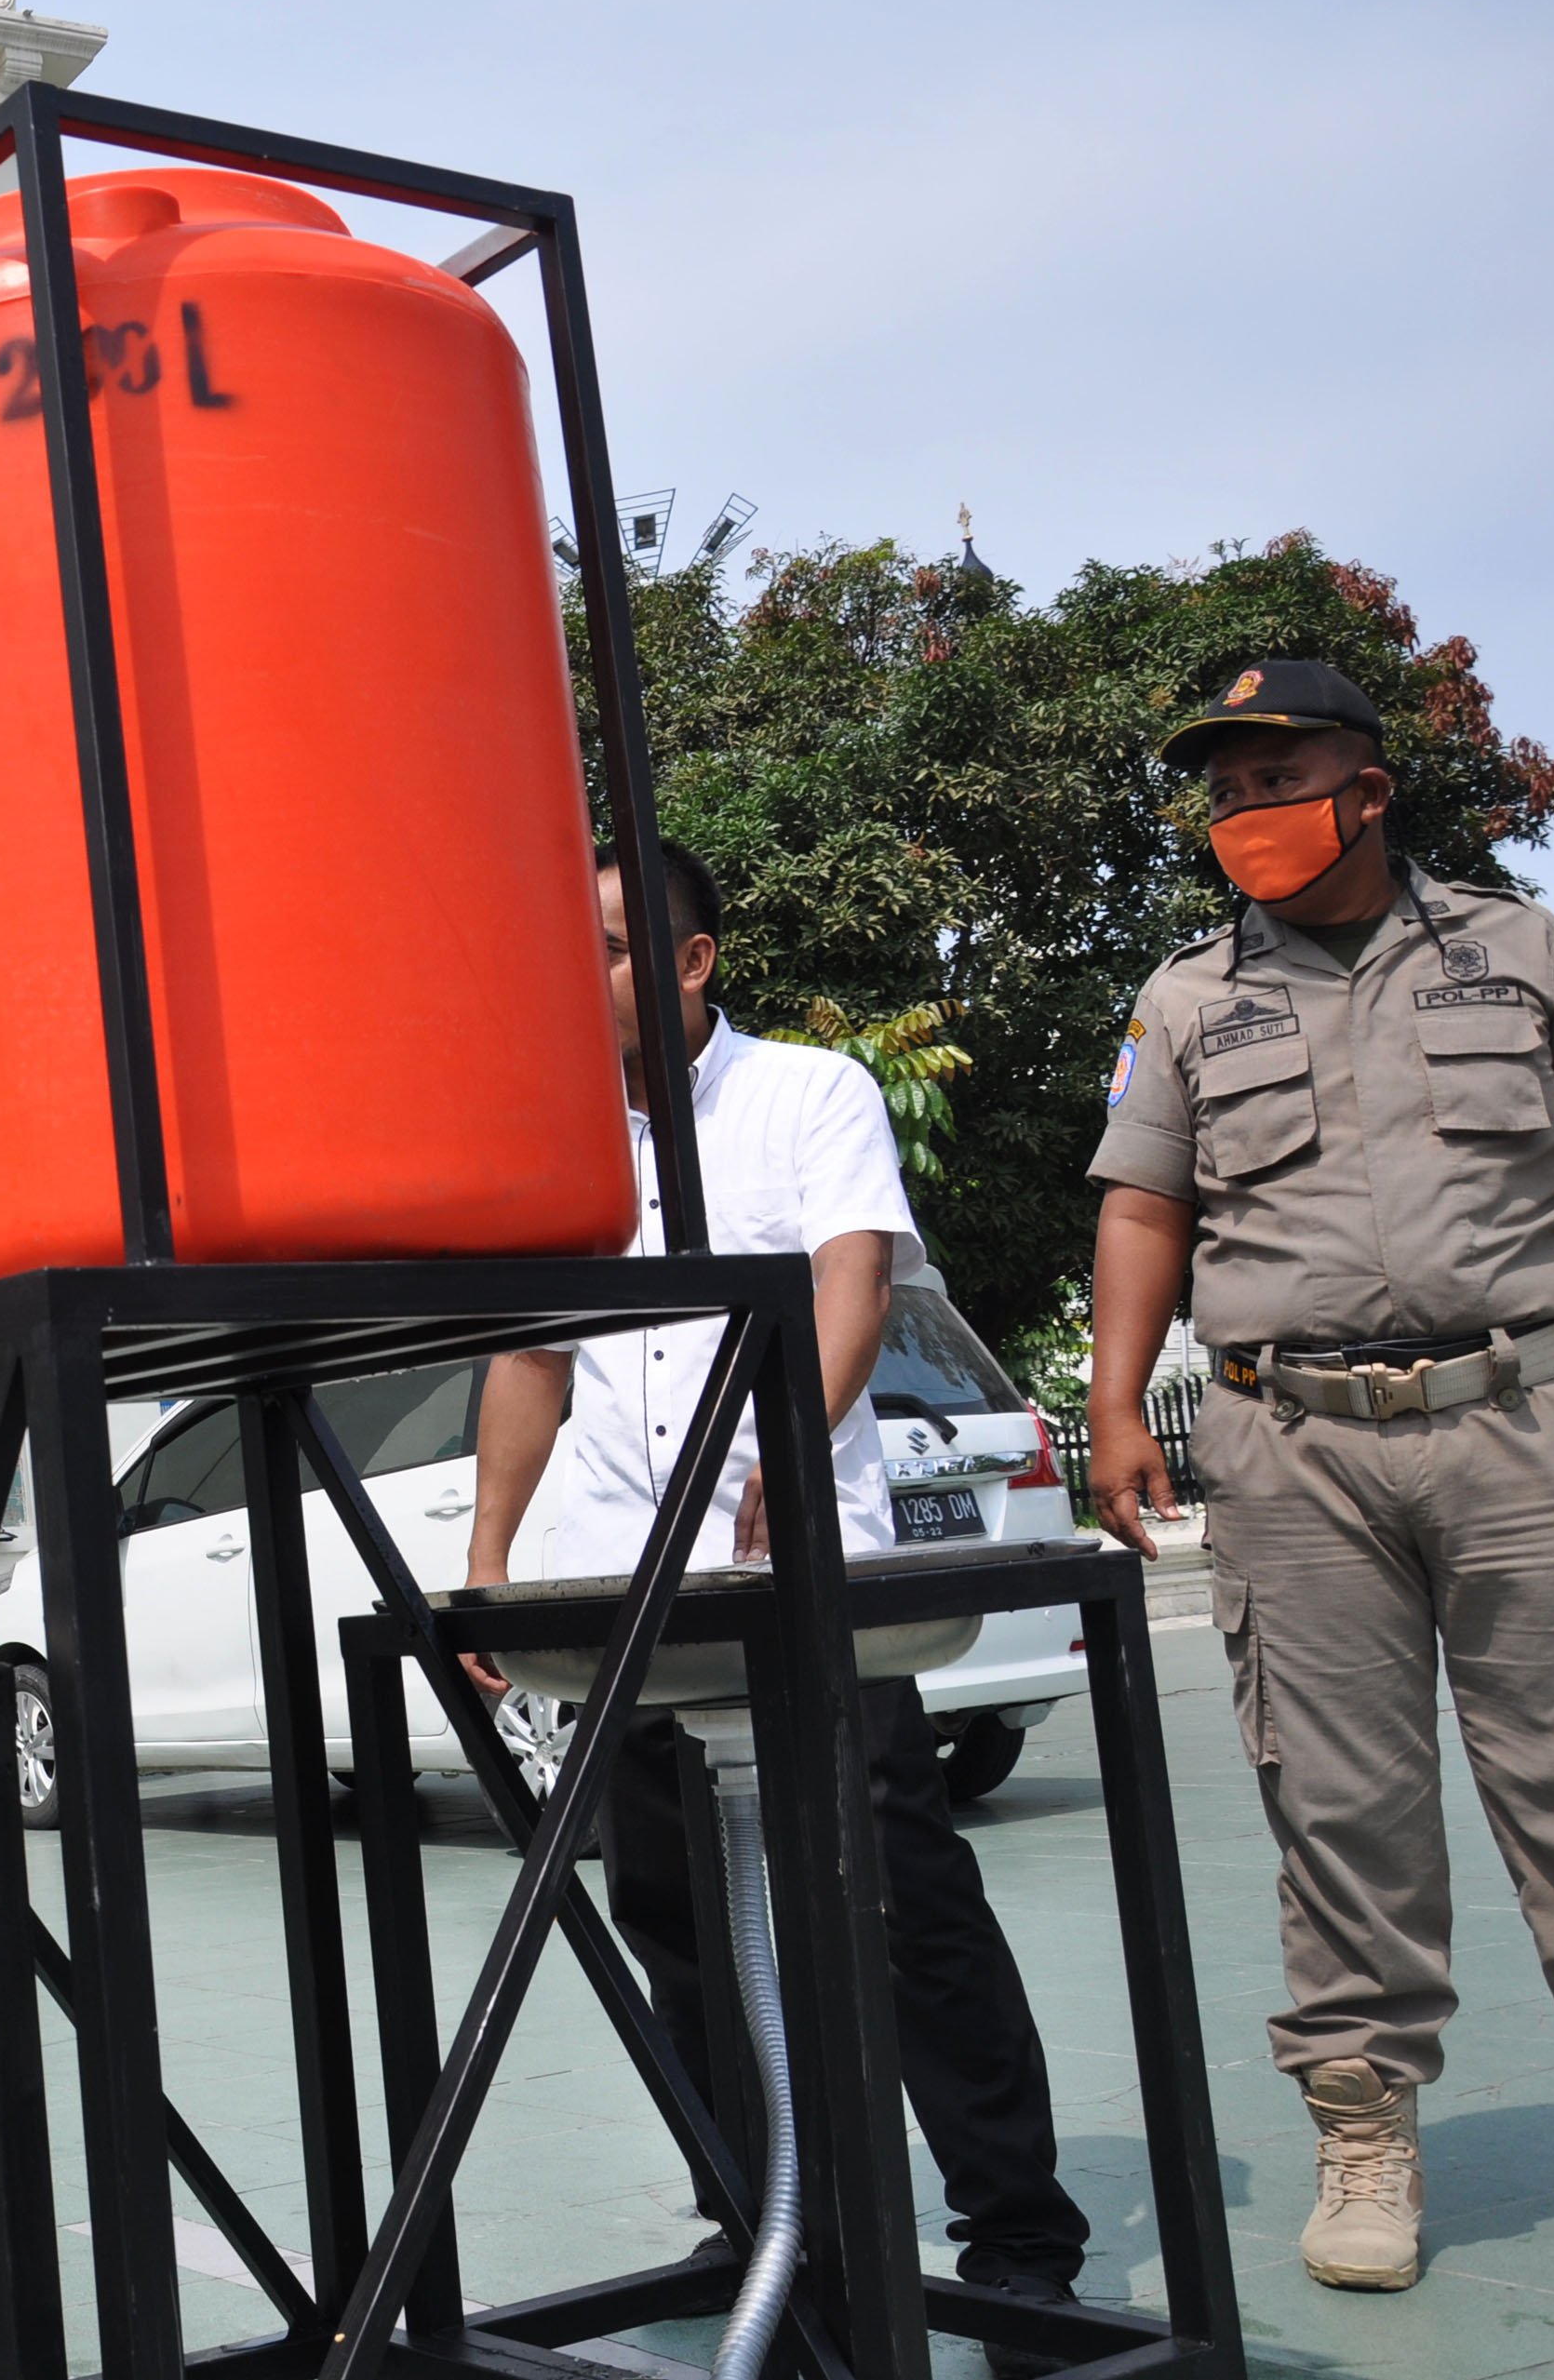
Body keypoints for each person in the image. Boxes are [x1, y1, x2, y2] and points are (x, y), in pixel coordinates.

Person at [461, 840, 1092, 2360]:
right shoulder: (551, 1143)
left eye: (609, 946)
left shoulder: (810, 1094)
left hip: (803, 1583)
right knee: (676, 1916)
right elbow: (531, 1354)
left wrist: (787, 1469)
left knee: (901, 1906)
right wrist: (489, 1563)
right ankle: (747, 2212)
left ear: (691, 961)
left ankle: (1016, 2237)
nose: (581, 978)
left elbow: (852, 1286)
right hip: (631, 1596)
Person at [1086, 659, 1554, 2294]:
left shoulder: (1523, 954)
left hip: (1529, 1424)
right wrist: (1112, 1402)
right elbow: (1145, 1206)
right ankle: (1365, 2134)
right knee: (1341, 1808)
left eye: (1269, 779)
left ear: (1367, 788)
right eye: (1221, 793)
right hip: (1288, 1449)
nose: (1240, 817)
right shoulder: (1184, 1001)